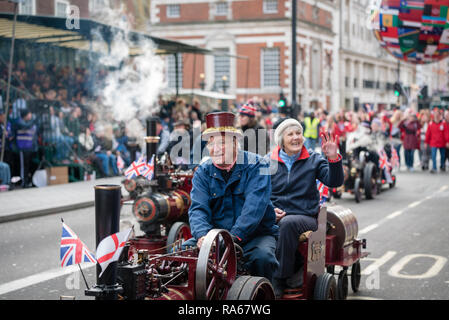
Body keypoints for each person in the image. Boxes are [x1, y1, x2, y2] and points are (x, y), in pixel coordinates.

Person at [183, 112, 279, 282]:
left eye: (221, 143)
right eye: (211, 144)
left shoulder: (258, 165)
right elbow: (198, 209)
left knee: (262, 258)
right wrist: (203, 236)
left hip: (254, 236)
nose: (216, 149)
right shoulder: (202, 173)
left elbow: (254, 208)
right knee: (182, 256)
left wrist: (233, 237)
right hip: (214, 238)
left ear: (235, 143)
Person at [267, 118, 344, 298]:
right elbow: (259, 193)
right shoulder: (267, 161)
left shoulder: (314, 159)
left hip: (305, 217)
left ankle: (279, 278)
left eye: (298, 133)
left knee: (287, 224)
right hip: (273, 216)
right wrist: (270, 210)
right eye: (290, 134)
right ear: (281, 140)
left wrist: (333, 158)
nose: (296, 138)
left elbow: (335, 181)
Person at [14, 109, 38, 187]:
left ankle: (28, 181)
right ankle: (23, 182)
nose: (30, 116)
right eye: (29, 114)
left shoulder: (30, 123)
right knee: (23, 166)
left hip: (29, 148)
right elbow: (26, 127)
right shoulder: (19, 122)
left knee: (28, 165)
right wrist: (34, 121)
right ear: (25, 115)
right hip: (22, 148)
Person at [425, 107, 449, 173]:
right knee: (433, 155)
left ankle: (442, 165)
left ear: (440, 115)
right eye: (435, 114)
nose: (436, 115)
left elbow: (446, 133)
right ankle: (434, 167)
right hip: (434, 142)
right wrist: (426, 142)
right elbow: (428, 133)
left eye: (438, 114)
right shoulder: (431, 123)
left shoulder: (443, 123)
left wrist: (447, 141)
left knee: (443, 155)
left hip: (442, 142)